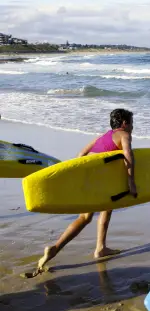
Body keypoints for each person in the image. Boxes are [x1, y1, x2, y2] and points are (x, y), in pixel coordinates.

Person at [35, 108, 136, 273]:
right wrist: (131, 181)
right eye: (131, 123)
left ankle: (100, 248)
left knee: (95, 214)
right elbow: (128, 155)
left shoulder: (102, 137)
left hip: (89, 180)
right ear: (124, 123)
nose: (132, 127)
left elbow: (81, 154)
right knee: (88, 216)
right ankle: (55, 248)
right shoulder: (124, 135)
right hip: (101, 183)